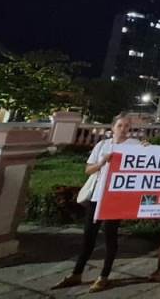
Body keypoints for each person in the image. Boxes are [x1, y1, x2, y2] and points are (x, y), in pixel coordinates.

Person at [53, 114, 141, 293]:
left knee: (110, 237)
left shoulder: (135, 146)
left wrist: (148, 148)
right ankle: (76, 273)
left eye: (127, 126)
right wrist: (102, 162)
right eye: (120, 125)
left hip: (115, 199)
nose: (123, 129)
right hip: (96, 197)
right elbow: (88, 169)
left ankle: (104, 276)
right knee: (88, 237)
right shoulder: (102, 145)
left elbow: (149, 163)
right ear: (112, 127)